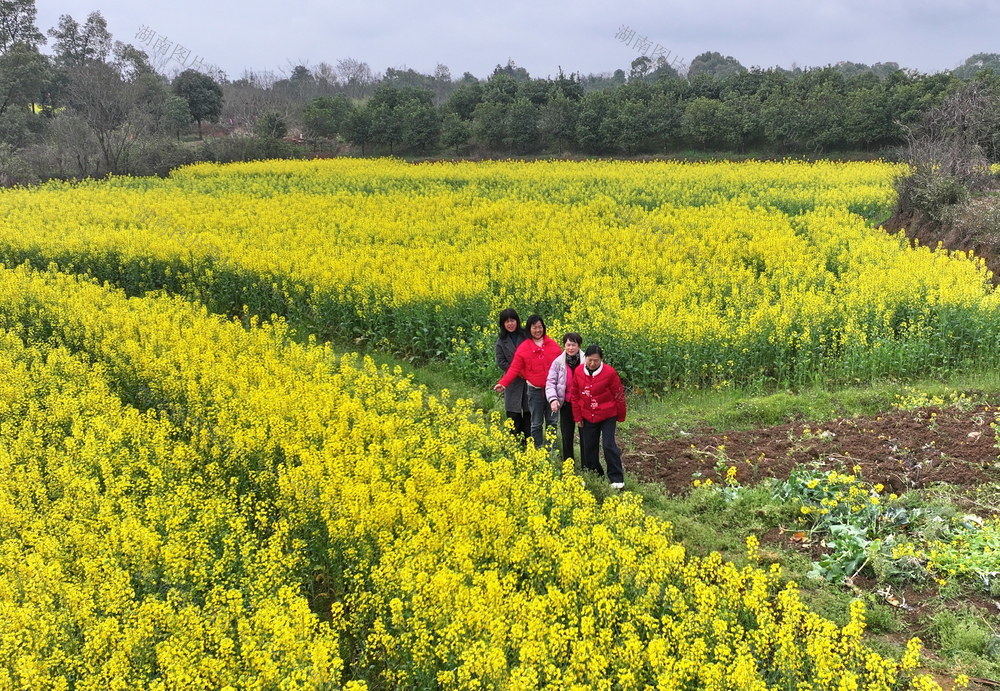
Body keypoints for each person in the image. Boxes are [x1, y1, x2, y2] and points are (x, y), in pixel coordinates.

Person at [493, 314, 562, 449]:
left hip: (552, 391)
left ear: (544, 328)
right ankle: (536, 449)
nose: (537, 330)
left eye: (540, 327)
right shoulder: (524, 347)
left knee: (552, 422)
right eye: (534, 328)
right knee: (535, 423)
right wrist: (503, 383)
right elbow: (514, 368)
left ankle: (551, 450)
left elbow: (562, 367)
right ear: (529, 330)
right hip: (535, 390)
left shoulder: (553, 345)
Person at [570, 345, 627, 489]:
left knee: (608, 445)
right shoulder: (578, 371)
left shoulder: (609, 372)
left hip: (608, 415)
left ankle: (616, 479)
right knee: (589, 447)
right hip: (588, 415)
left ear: (601, 359)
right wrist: (578, 417)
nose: (592, 363)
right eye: (590, 360)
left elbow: (618, 394)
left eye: (596, 361)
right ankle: (596, 475)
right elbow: (575, 396)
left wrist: (620, 415)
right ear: (585, 358)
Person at [545, 332, 583, 464]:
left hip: (582, 405)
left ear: (579, 346)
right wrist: (553, 399)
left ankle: (587, 464)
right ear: (564, 345)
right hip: (566, 403)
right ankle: (569, 463)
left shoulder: (586, 361)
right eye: (568, 345)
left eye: (573, 345)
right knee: (567, 435)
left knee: (585, 435)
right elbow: (550, 382)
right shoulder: (558, 362)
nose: (571, 348)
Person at [494, 308, 531, 441]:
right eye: (507, 321)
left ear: (517, 321)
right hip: (512, 380)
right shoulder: (501, 341)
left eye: (512, 320)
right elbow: (501, 362)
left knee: (529, 413)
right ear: (502, 324)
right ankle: (515, 444)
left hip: (528, 379)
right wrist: (516, 371)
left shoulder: (526, 335)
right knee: (513, 415)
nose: (510, 324)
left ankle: (530, 444)